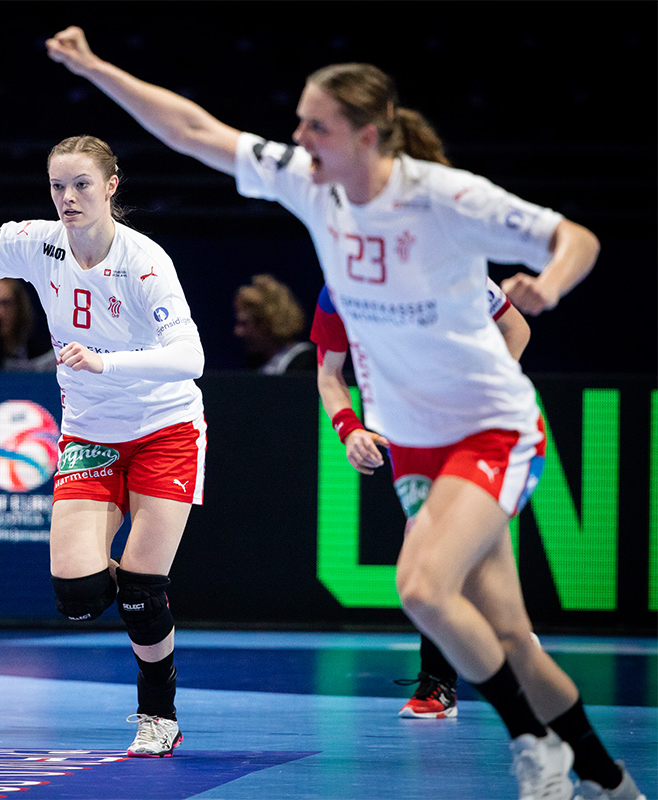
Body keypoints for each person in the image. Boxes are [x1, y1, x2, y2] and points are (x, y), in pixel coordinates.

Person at [46, 27, 643, 800]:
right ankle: (607, 775)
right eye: (298, 122)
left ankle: (534, 744)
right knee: (508, 636)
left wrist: (550, 284)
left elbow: (576, 238)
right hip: (416, 441)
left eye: (316, 126)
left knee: (422, 588)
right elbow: (195, 130)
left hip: (490, 425)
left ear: (367, 134)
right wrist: (95, 68)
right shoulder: (314, 185)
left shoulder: (444, 197)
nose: (298, 138)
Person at [0, 134, 207, 758]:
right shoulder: (40, 242)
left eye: (82, 184)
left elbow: (190, 357)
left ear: (110, 186)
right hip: (90, 433)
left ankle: (159, 711)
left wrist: (106, 363)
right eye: (58, 186)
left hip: (165, 429)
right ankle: (143, 598)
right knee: (79, 596)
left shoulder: (145, 261)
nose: (68, 197)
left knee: (141, 588)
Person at [313, 278, 530, 720]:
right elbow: (330, 374)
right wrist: (349, 429)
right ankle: (509, 666)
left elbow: (516, 328)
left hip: (477, 429)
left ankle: (450, 681)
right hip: (411, 434)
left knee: (434, 558)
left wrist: (484, 395)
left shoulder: (444, 268)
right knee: (449, 569)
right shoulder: (336, 289)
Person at [233, 273, 315, 373]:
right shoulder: (253, 365)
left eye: (244, 324)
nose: (238, 332)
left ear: (267, 323)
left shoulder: (306, 363)